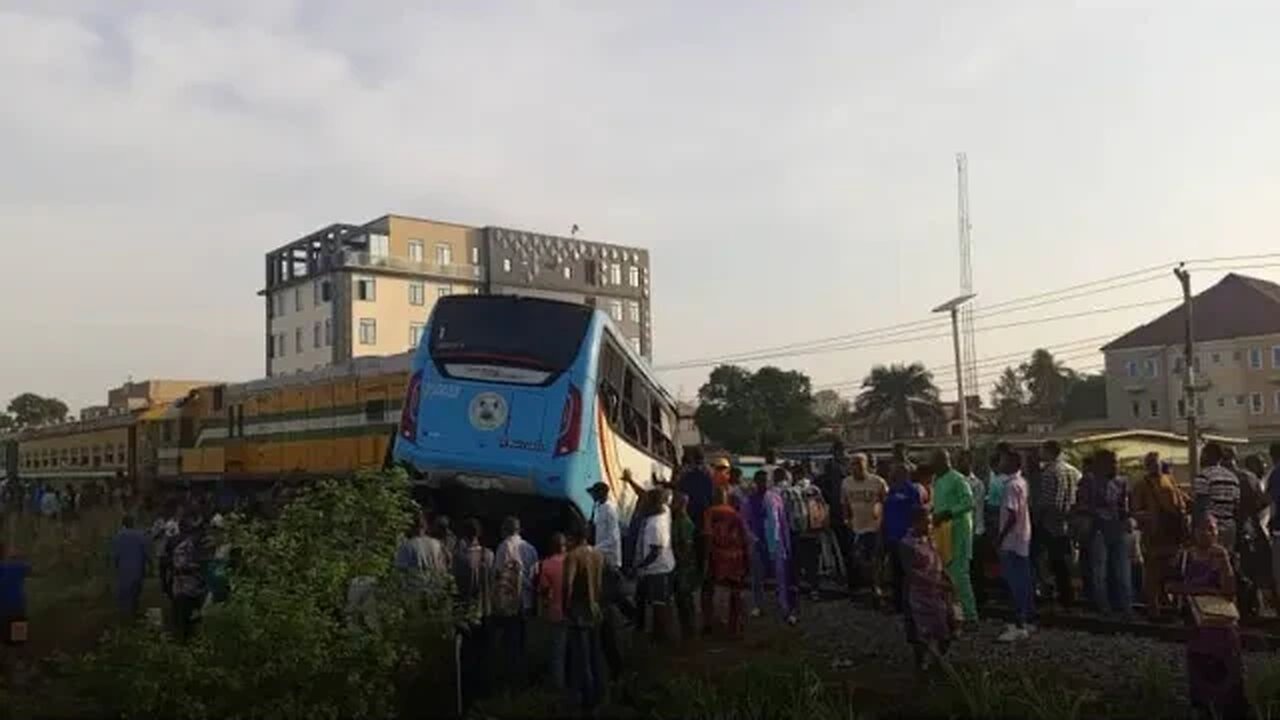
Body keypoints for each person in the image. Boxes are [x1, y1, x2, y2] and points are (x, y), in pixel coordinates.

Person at [1168, 515, 1249, 720]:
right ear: (1194, 532)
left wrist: (1224, 566)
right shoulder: (1185, 557)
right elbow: (1170, 586)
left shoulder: (1224, 556)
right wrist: (1204, 591)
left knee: (1228, 682)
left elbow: (1230, 593)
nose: (1208, 534)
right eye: (1203, 529)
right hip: (1198, 628)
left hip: (1222, 629)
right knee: (1200, 677)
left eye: (1212, 529)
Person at [1132, 451, 1189, 621]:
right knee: (1152, 573)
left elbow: (1182, 500)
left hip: (1171, 534)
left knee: (1169, 571)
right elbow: (1135, 510)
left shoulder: (1169, 479)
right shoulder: (1141, 485)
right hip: (1153, 535)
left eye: (1156, 463)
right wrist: (1149, 517)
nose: (1155, 466)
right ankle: (1153, 609)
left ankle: (1167, 606)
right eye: (1151, 463)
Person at [1076, 449, 1133, 618]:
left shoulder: (1121, 482)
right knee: (1099, 571)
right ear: (1101, 464)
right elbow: (1082, 504)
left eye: (1117, 462)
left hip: (1117, 529)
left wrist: (1127, 518)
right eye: (1113, 462)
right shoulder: (1088, 481)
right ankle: (1103, 605)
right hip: (1098, 529)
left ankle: (1124, 606)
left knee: (1122, 571)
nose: (1116, 466)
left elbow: (1125, 507)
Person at [902, 508, 955, 672]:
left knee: (946, 628)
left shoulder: (929, 538)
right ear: (917, 523)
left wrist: (946, 576)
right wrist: (937, 583)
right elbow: (911, 572)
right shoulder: (907, 544)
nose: (930, 525)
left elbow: (937, 558)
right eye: (927, 522)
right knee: (921, 633)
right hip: (918, 594)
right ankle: (923, 665)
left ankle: (937, 659)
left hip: (936, 593)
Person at [563, 517, 607, 711]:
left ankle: (587, 702)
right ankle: (600, 695)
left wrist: (565, 607)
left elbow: (567, 585)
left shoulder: (573, 556)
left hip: (579, 613)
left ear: (573, 536)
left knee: (582, 659)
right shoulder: (599, 555)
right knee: (596, 656)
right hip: (596, 610)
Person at [1225, 447, 1273, 619]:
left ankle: (1236, 610)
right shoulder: (1248, 477)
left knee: (1231, 570)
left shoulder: (1221, 478)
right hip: (1249, 529)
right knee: (1250, 571)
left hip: (1228, 530)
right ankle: (1251, 609)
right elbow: (1263, 502)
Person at [1032, 440, 1081, 609]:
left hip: (1050, 523)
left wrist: (1037, 519)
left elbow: (1046, 501)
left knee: (1049, 560)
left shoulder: (1048, 472)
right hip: (1068, 522)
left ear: (1049, 452)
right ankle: (1069, 596)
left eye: (1042, 450)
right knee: (1065, 561)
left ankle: (1055, 594)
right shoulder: (1074, 471)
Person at [930, 449, 977, 624]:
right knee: (945, 574)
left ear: (943, 461)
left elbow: (968, 502)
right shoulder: (937, 480)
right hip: (942, 532)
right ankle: (954, 614)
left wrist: (947, 513)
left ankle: (971, 616)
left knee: (959, 574)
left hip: (958, 530)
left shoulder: (958, 479)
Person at [745, 469, 797, 625]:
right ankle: (758, 604)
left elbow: (783, 521)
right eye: (760, 480)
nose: (764, 483)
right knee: (757, 576)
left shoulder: (776, 498)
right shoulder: (749, 500)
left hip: (777, 542)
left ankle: (784, 606)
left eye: (766, 480)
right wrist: (752, 538)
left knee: (781, 576)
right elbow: (745, 521)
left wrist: (786, 542)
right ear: (756, 481)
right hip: (758, 541)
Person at [453, 518, 494, 710]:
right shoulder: (490, 555)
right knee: (484, 656)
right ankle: (484, 696)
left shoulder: (459, 558)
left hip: (466, 614)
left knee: (467, 659)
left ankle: (467, 700)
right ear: (479, 534)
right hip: (486, 611)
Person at [492, 516, 539, 686]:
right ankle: (522, 678)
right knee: (523, 640)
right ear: (519, 530)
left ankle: (509, 680)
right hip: (526, 600)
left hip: (510, 600)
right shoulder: (531, 548)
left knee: (509, 641)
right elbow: (535, 575)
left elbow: (498, 573)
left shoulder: (504, 547)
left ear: (505, 529)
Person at [996, 447, 1034, 642]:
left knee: (1014, 582)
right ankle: (1026, 620)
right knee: (1024, 580)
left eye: (1003, 460)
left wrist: (1000, 537)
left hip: (1011, 540)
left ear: (1011, 463)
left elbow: (1011, 514)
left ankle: (1018, 625)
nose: (1000, 463)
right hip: (1023, 537)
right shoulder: (1022, 482)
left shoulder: (1011, 486)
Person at [702, 486, 750, 637]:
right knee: (735, 592)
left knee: (709, 590)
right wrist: (746, 559)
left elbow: (708, 536)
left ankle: (710, 624)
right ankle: (735, 627)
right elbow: (745, 538)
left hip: (718, 556)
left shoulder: (710, 512)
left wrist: (705, 558)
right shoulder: (735, 514)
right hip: (737, 558)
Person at [842, 453, 888, 606]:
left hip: (874, 527)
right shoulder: (846, 483)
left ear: (866, 465)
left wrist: (882, 518)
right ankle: (864, 586)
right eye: (853, 465)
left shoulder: (877, 482)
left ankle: (876, 588)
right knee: (859, 559)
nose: (856, 468)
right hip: (856, 527)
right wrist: (846, 519)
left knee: (875, 559)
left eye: (859, 465)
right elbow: (844, 503)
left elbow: (885, 501)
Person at [882, 462, 926, 615]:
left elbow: (918, 513)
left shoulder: (913, 490)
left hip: (907, 538)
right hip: (892, 536)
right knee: (896, 573)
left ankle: (911, 604)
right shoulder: (892, 490)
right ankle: (898, 604)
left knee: (909, 574)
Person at [634, 488, 677, 641]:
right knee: (656, 601)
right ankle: (657, 632)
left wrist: (639, 566)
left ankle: (662, 635)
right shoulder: (665, 510)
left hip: (657, 568)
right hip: (662, 566)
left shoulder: (655, 524)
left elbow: (655, 551)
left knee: (659, 604)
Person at [1194, 442, 1242, 557]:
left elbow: (1201, 506)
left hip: (1211, 529)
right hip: (1230, 527)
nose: (1200, 458)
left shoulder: (1203, 476)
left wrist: (1196, 530)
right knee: (1227, 562)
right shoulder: (1232, 478)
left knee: (1211, 566)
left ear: (1208, 455)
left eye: (1203, 454)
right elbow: (1236, 507)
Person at [537, 533, 568, 691]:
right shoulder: (572, 561)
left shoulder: (547, 565)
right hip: (574, 612)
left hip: (556, 613)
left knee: (557, 652)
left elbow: (544, 590)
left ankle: (558, 687)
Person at [957, 450, 988, 610]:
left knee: (975, 568)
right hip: (961, 530)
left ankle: (978, 599)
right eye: (961, 461)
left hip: (975, 529)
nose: (963, 464)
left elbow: (972, 507)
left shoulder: (977, 484)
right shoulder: (955, 481)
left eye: (966, 461)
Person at [170, 518, 208, 641]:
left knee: (196, 621)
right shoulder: (182, 548)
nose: (200, 536)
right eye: (197, 533)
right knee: (183, 621)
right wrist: (199, 567)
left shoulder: (203, 547)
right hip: (184, 589)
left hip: (199, 590)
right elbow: (180, 567)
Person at [670, 491, 700, 640]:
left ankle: (690, 631)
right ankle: (686, 629)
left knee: (685, 598)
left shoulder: (685, 523)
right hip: (679, 565)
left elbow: (687, 547)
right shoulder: (677, 521)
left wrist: (681, 561)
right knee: (681, 599)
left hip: (684, 566)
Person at [395, 512, 449, 590]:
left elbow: (400, 573)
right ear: (426, 526)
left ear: (409, 526)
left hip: (415, 590)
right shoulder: (437, 544)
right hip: (435, 589)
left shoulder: (405, 547)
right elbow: (443, 569)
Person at [110, 514, 150, 618]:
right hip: (137, 569)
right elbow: (147, 553)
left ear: (123, 524)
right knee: (135, 593)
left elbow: (115, 556)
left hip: (124, 569)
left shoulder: (117, 536)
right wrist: (151, 566)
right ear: (133, 524)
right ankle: (133, 613)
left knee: (124, 593)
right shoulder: (141, 535)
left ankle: (125, 616)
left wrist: (116, 567)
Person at [0, 542, 30, 658]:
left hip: (3, 611)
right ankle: (16, 671)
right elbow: (33, 569)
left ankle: (6, 672)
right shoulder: (16, 567)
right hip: (17, 610)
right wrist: (18, 556)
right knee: (18, 643)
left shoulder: (14, 567)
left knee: (4, 644)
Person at [588, 482, 622, 571]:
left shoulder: (609, 509)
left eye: (594, 493)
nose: (592, 495)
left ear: (601, 493)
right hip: (601, 554)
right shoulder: (599, 507)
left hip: (610, 556)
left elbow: (613, 537)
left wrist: (595, 548)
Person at [678, 450, 714, 533]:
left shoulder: (686, 476)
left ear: (693, 461)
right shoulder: (708, 477)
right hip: (703, 511)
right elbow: (711, 496)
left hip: (689, 510)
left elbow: (680, 491)